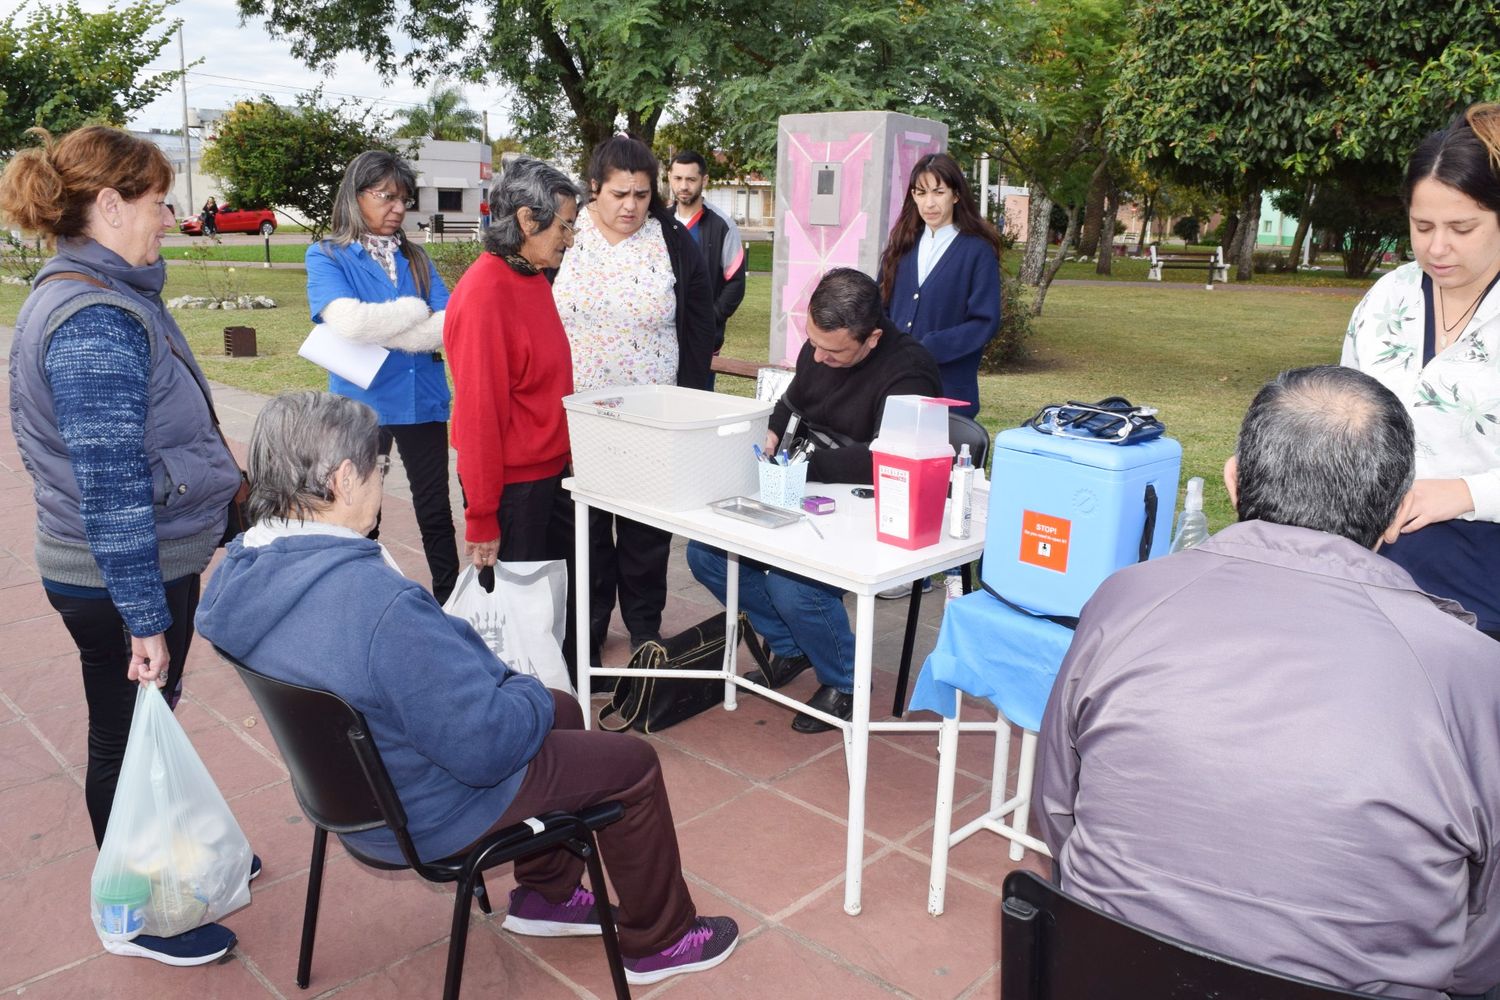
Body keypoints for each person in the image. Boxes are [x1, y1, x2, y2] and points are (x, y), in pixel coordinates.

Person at [195, 391, 739, 986]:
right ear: (343, 478)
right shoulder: (374, 603)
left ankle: (547, 896)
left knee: (562, 711)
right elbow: (487, 748)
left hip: (349, 790)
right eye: (381, 469)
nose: (382, 481)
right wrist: (522, 689)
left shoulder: (243, 579)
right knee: (628, 761)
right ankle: (662, 940)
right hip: (432, 804)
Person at [1036, 366, 1500, 1000]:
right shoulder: (1470, 674)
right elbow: (1482, 949)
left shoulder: (1124, 601)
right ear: (1397, 513)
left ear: (1233, 479)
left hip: (1105, 972)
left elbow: (1057, 812)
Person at [1, 125, 246, 965]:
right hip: (118, 578)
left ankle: (175, 856)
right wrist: (145, 617)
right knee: (125, 738)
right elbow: (109, 490)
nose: (171, 218)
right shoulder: (93, 318)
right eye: (157, 201)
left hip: (130, 565)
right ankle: (133, 912)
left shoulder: (105, 293)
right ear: (108, 205)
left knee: (148, 727)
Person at [686, 269, 941, 732]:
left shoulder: (910, 371)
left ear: (873, 338)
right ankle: (792, 646)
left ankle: (845, 680)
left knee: (793, 585)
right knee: (705, 555)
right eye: (814, 344)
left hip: (867, 503)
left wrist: (800, 468)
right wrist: (767, 432)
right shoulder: (819, 349)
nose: (818, 357)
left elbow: (888, 461)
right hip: (804, 483)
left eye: (834, 350)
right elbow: (791, 404)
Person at [552, 134, 715, 663]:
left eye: (642, 195)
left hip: (652, 418)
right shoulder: (565, 241)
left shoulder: (669, 240)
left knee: (646, 533)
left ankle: (646, 628)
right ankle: (590, 630)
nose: (630, 206)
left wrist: (692, 406)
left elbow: (699, 327)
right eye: (620, 194)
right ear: (594, 188)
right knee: (588, 531)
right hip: (580, 416)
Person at [1344, 102, 1500, 641]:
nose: (1437, 247)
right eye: (1422, 225)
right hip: (1376, 559)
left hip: (1481, 569)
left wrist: (1467, 493)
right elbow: (1348, 412)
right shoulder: (1390, 296)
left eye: (1462, 227)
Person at [305, 150, 460, 604]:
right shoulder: (328, 255)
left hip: (423, 399)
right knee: (359, 513)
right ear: (356, 197)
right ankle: (364, 601)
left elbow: (448, 322)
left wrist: (393, 325)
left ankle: (451, 602)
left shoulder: (416, 257)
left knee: (435, 510)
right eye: (386, 197)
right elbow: (349, 322)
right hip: (362, 405)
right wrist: (414, 312)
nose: (397, 209)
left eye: (404, 200)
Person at [444, 158, 581, 667]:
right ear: (528, 220)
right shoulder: (486, 294)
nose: (569, 239)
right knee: (518, 631)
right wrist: (481, 517)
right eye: (564, 225)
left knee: (546, 619)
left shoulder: (530, 278)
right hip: (512, 490)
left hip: (546, 477)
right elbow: (479, 420)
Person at [877, 152, 1001, 421]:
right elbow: (880, 306)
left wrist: (930, 346)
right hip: (896, 384)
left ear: (955, 195)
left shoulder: (977, 251)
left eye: (938, 192)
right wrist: (892, 347)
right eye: (921, 193)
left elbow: (984, 321)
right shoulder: (902, 245)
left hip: (948, 390)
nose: (929, 203)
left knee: (940, 461)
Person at [668, 150, 747, 384]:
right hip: (661, 337)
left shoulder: (722, 226)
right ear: (669, 178)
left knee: (698, 406)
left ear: (704, 180)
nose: (684, 186)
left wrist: (708, 319)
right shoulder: (658, 222)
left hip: (702, 340)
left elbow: (735, 283)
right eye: (678, 178)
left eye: (691, 179)